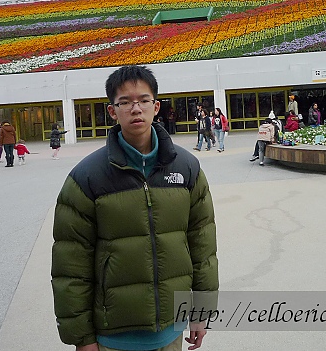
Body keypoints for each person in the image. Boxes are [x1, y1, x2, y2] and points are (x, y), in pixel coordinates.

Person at [51, 65, 218, 351]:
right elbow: (71, 267)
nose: (136, 109)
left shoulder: (187, 169)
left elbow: (203, 248)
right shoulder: (86, 178)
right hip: (114, 336)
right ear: (112, 111)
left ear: (156, 106)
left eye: (143, 100)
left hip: (170, 331)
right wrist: (82, 338)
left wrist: (201, 313)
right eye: (125, 102)